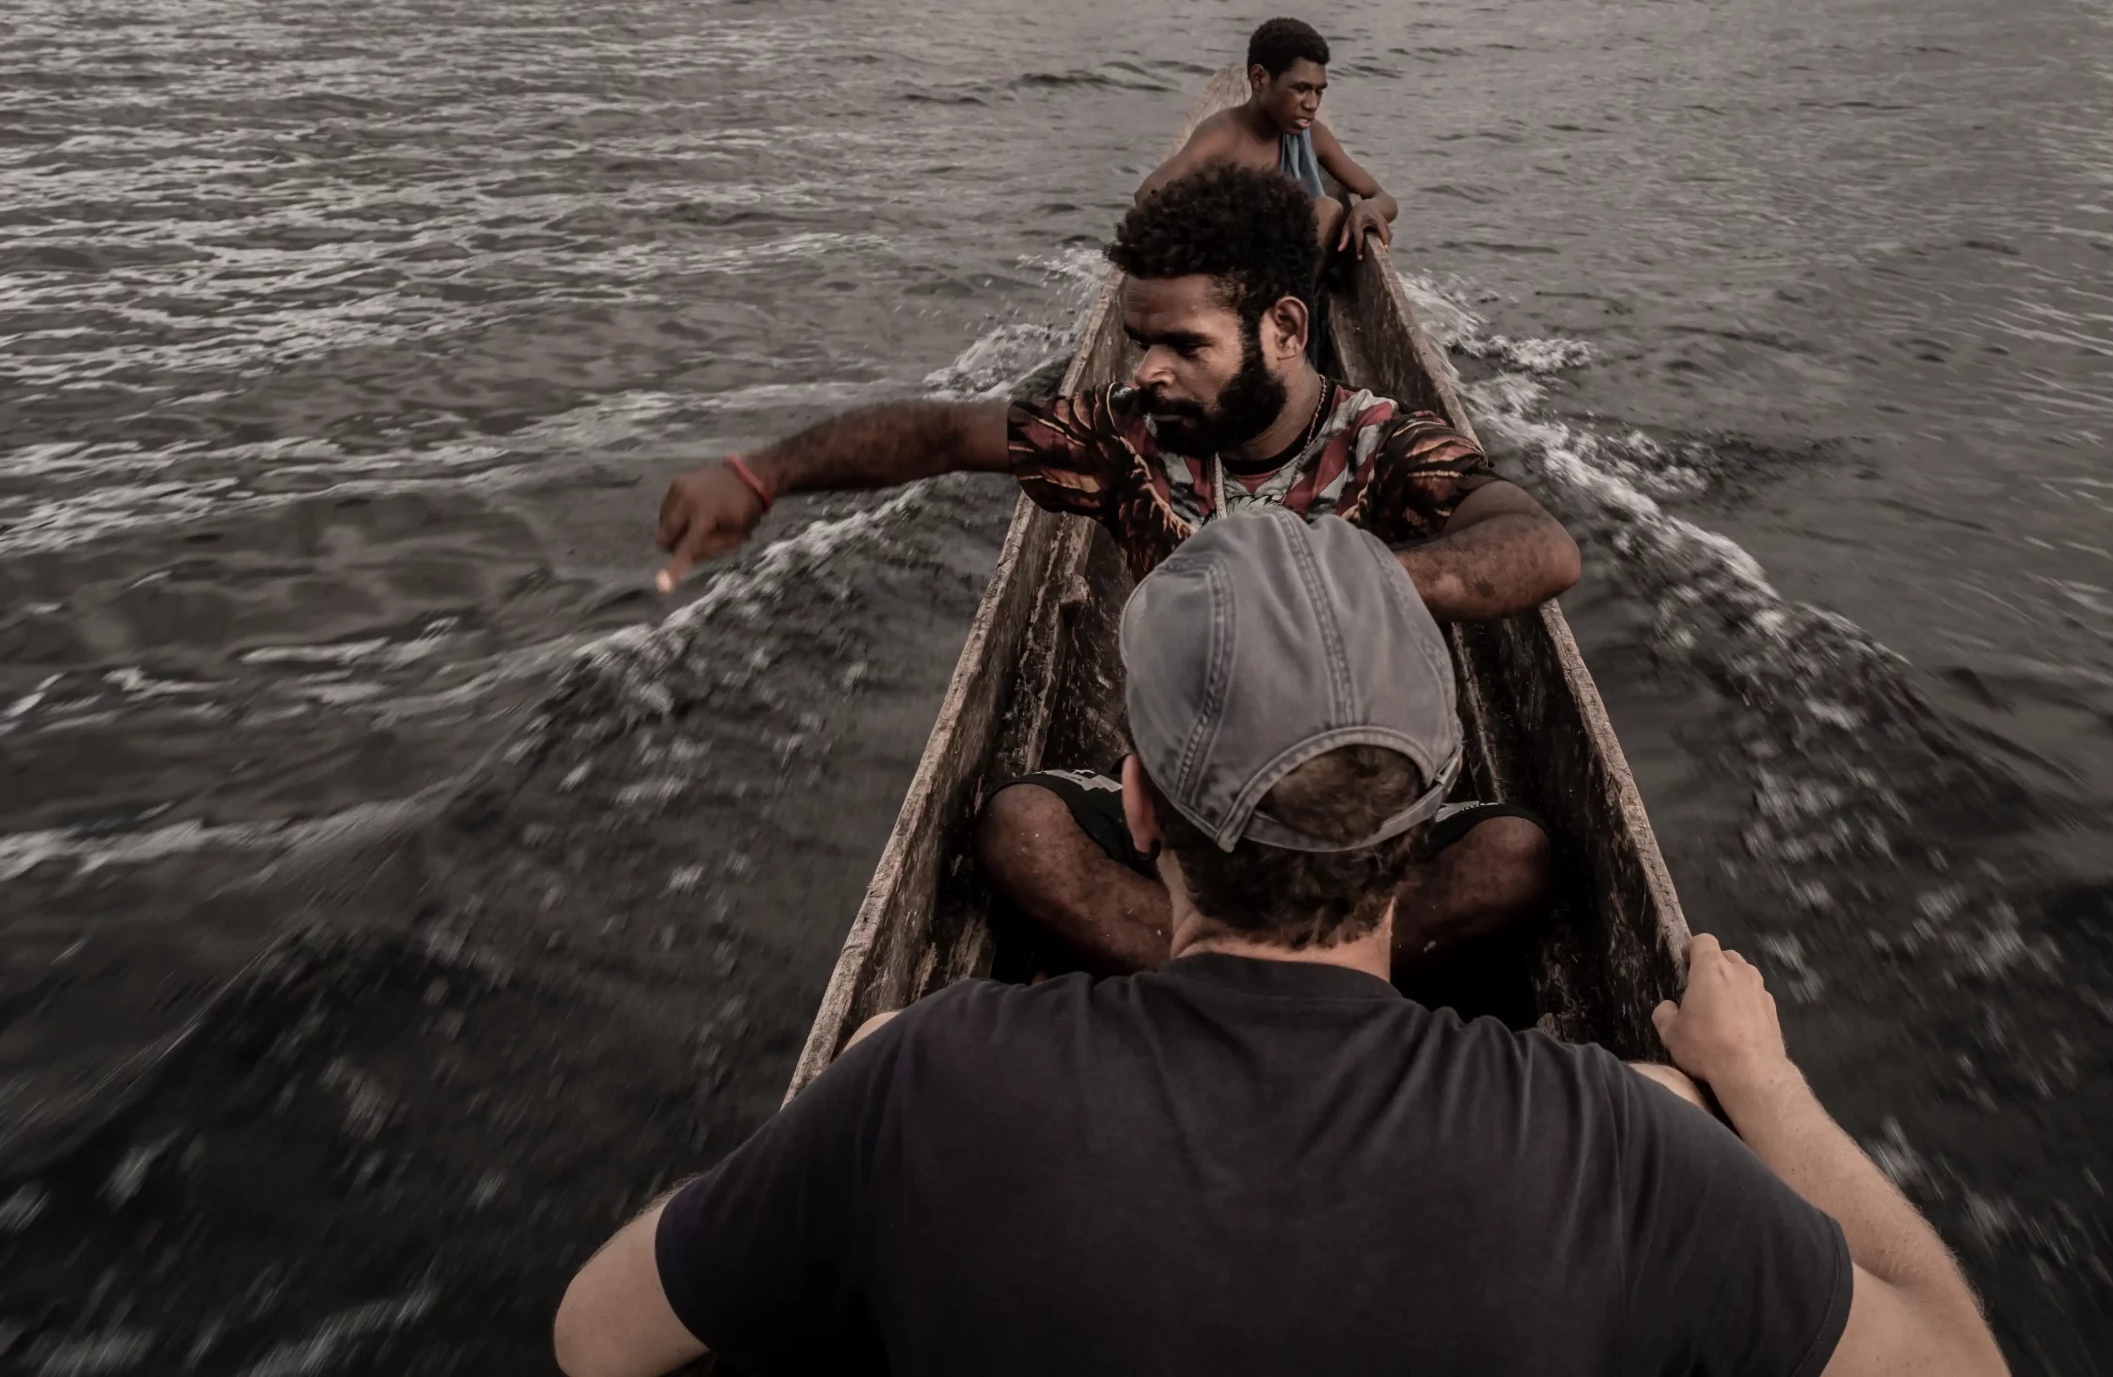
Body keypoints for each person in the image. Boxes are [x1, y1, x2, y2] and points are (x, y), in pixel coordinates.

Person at [553, 514, 2012, 1377]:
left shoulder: (928, 1083)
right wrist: (1761, 1086)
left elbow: (592, 1339)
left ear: (1137, 803)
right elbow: (1962, 1364)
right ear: (1435, 815)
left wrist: (858, 1104)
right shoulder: (1617, 1144)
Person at [650, 164, 1576, 973]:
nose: (1148, 371)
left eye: (1186, 345)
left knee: (1513, 856)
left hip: (1353, 816)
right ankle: (1265, 979)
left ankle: (1252, 979)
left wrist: (1333, 589)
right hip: (1185, 812)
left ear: (1287, 327)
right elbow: (943, 436)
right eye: (1141, 340)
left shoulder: (1381, 444)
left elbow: (1540, 546)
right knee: (1022, 832)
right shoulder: (1125, 436)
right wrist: (762, 475)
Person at [1138, 16, 1399, 260]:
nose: (1311, 104)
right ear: (1259, 78)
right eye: (1300, 89)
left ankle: (1289, 291)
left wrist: (1369, 208)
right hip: (1228, 264)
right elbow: (1148, 193)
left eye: (1318, 91)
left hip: (1288, 271)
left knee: (1327, 209)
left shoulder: (1312, 136)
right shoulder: (1223, 135)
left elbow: (1382, 197)